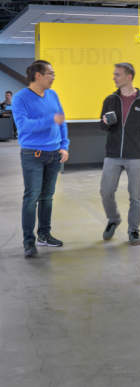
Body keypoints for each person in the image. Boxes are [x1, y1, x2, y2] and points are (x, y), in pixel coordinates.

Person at [99, 62, 140, 246]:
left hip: (136, 156)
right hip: (113, 154)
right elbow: (102, 125)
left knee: (135, 196)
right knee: (105, 191)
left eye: (117, 74)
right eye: (114, 74)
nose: (114, 77)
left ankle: (134, 230)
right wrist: (104, 122)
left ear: (129, 77)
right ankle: (113, 219)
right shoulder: (110, 100)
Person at [12, 60, 69, 258]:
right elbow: (24, 126)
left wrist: (64, 146)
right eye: (50, 73)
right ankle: (29, 242)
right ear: (38, 75)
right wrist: (50, 120)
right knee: (32, 198)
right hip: (33, 155)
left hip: (54, 154)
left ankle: (44, 235)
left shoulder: (53, 95)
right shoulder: (21, 98)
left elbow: (62, 122)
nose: (53, 76)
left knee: (47, 197)